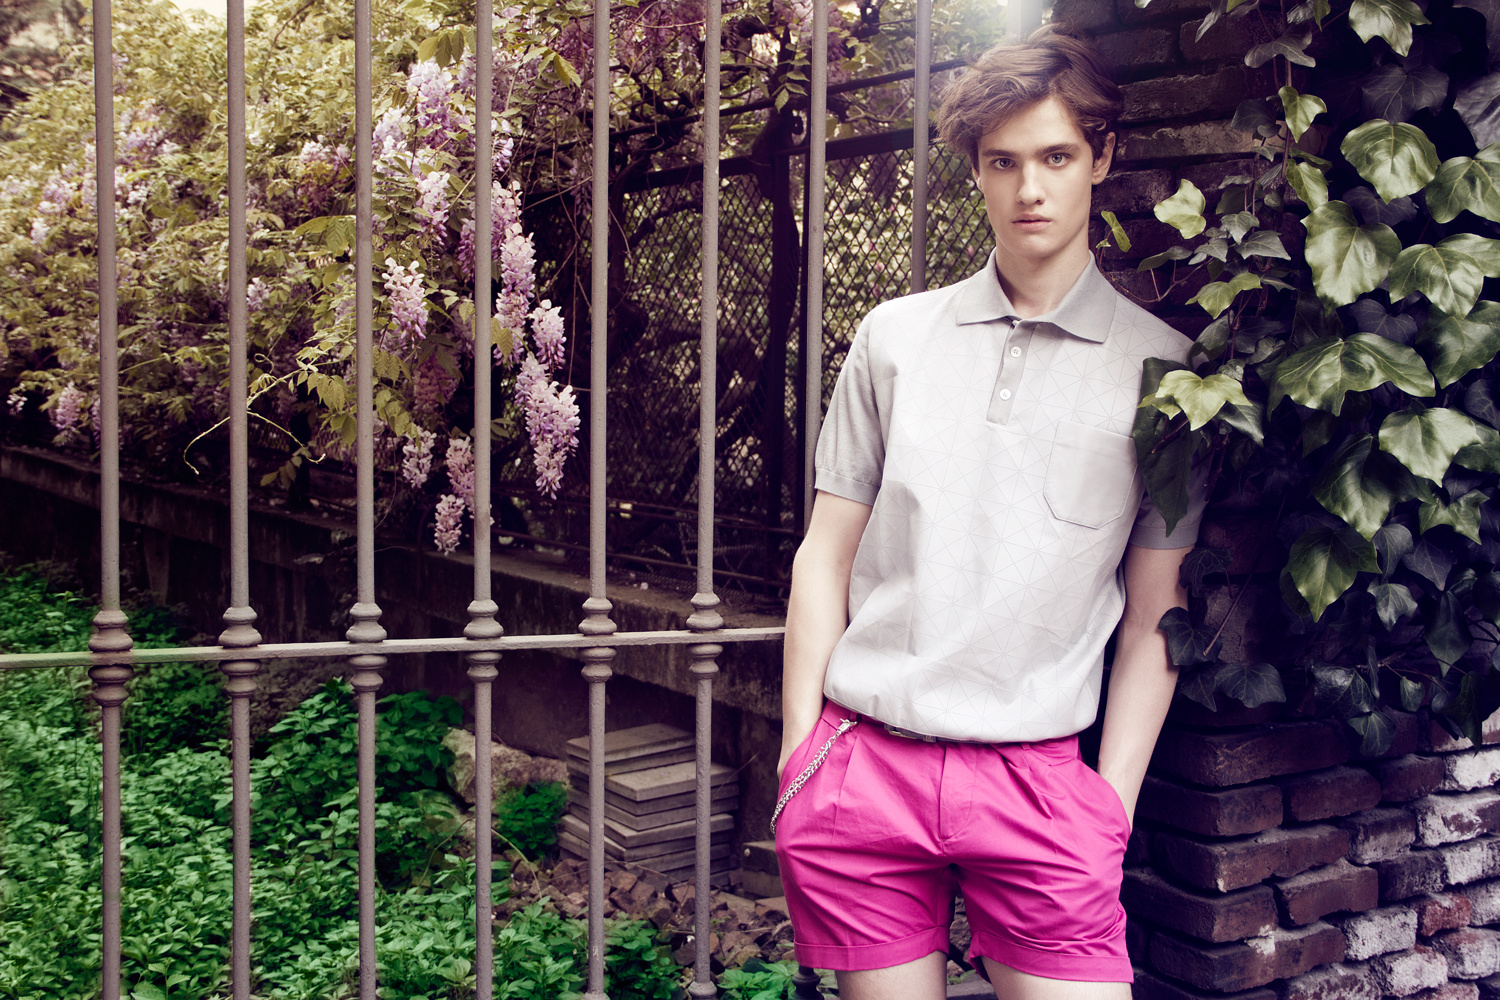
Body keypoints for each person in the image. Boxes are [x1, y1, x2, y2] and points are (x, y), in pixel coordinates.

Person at [772, 24, 1207, 1000]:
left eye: (1056, 157)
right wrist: (803, 750)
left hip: (1042, 786)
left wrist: (1110, 807)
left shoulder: (1167, 374)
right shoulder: (894, 339)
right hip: (867, 766)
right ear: (975, 169)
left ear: (1102, 157)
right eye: (1003, 162)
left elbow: (1157, 614)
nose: (1030, 189)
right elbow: (825, 554)